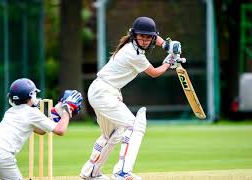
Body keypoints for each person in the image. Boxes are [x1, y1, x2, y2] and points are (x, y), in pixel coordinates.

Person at [79, 16, 184, 180]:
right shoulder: (133, 54)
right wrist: (169, 61)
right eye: (142, 37)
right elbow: (154, 73)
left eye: (148, 37)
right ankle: (122, 171)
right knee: (134, 126)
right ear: (134, 35)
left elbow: (156, 39)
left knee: (113, 134)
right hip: (104, 92)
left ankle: (91, 172)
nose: (145, 40)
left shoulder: (133, 45)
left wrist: (167, 45)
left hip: (103, 91)